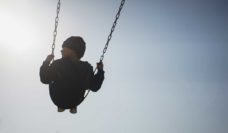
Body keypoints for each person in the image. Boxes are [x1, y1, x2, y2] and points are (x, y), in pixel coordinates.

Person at [40, 36, 105, 114]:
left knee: (52, 78)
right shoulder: (86, 68)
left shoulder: (58, 64)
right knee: (81, 83)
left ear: (72, 50)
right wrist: (100, 71)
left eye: (64, 49)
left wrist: (47, 62)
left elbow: (44, 79)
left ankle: (61, 107)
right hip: (75, 101)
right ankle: (72, 107)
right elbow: (95, 87)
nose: (61, 50)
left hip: (58, 99)